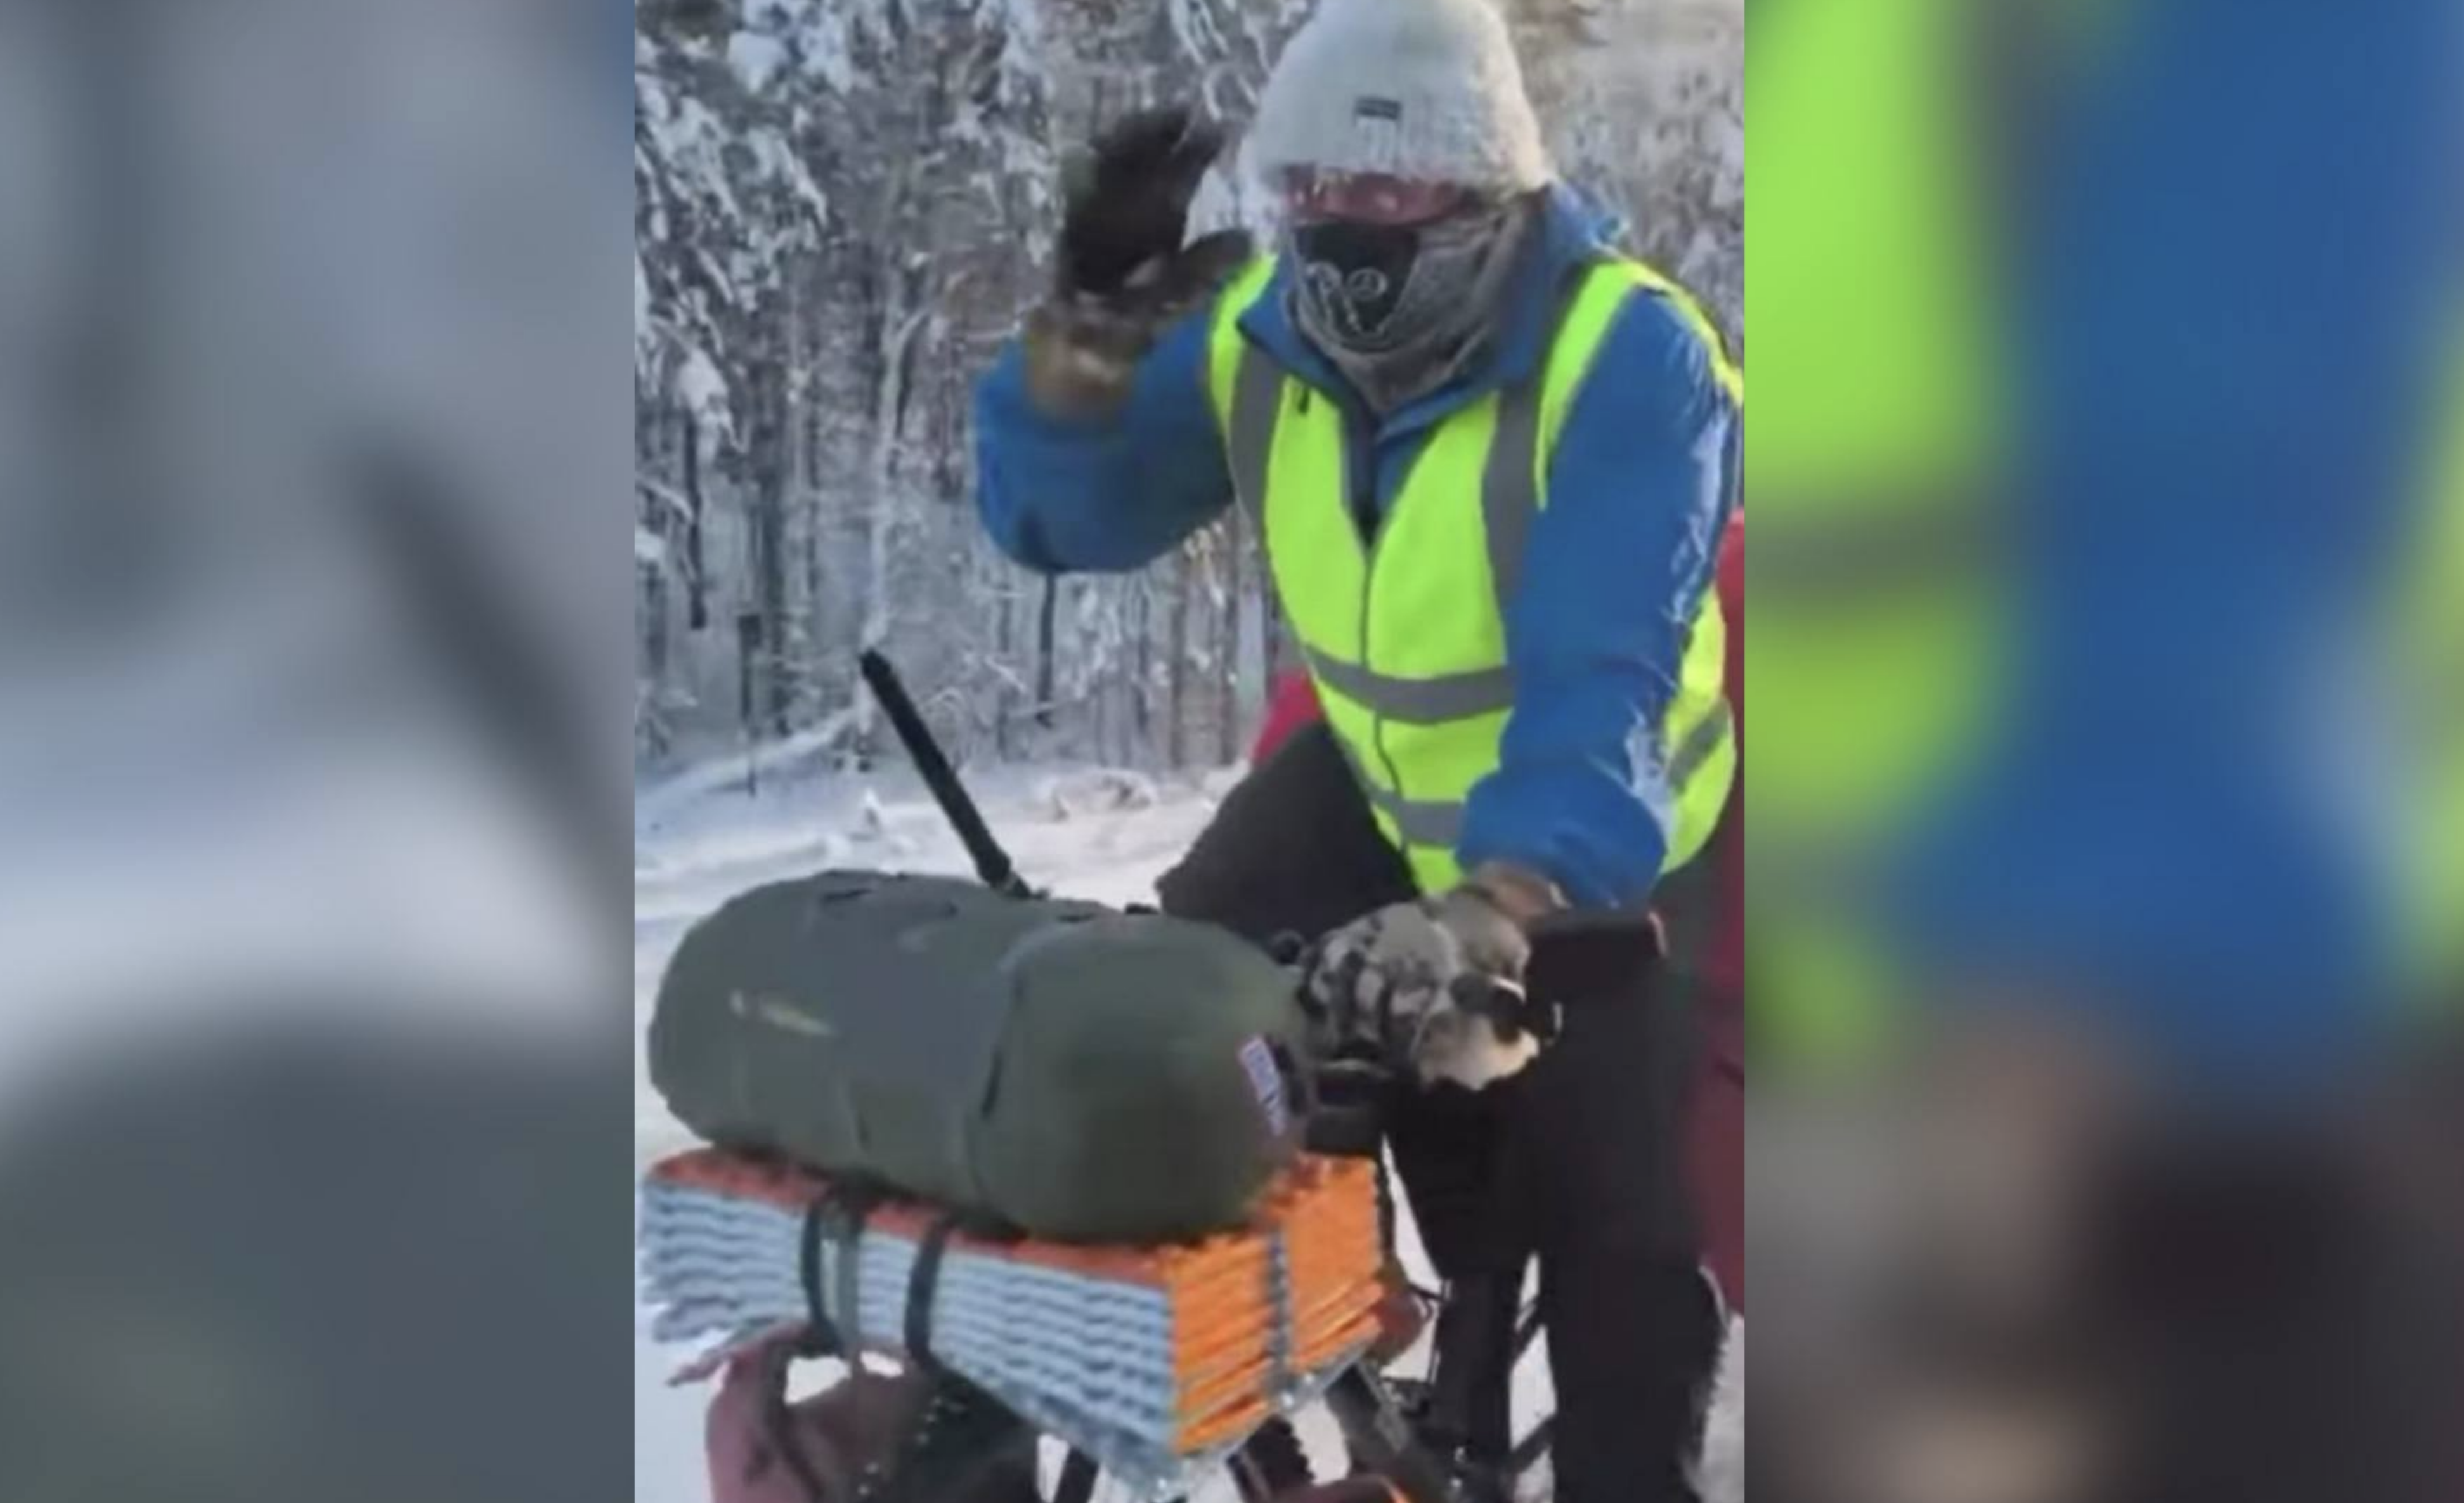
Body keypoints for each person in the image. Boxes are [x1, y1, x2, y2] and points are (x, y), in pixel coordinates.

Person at [972, 0, 1741, 1494]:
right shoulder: (1262, 338)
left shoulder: (1627, 359)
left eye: (1383, 194)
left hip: (1611, 831)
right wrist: (1084, 348)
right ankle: (1321, 1318)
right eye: (1310, 192)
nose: (1339, 231)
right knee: (1173, 1018)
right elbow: (1056, 523)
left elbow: (1604, 687)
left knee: (1609, 1212)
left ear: (1487, 197)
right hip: (1380, 793)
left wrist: (1497, 912)